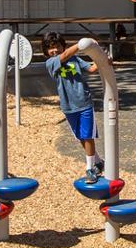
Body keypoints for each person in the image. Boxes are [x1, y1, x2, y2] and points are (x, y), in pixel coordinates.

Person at [43, 33, 103, 182]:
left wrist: (103, 59)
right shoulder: (51, 63)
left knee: (87, 135)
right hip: (68, 106)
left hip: (84, 102)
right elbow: (64, 56)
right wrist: (81, 44)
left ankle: (90, 169)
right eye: (50, 48)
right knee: (81, 137)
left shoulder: (75, 59)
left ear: (63, 45)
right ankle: (99, 162)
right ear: (46, 52)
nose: (54, 50)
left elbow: (91, 69)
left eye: (57, 46)